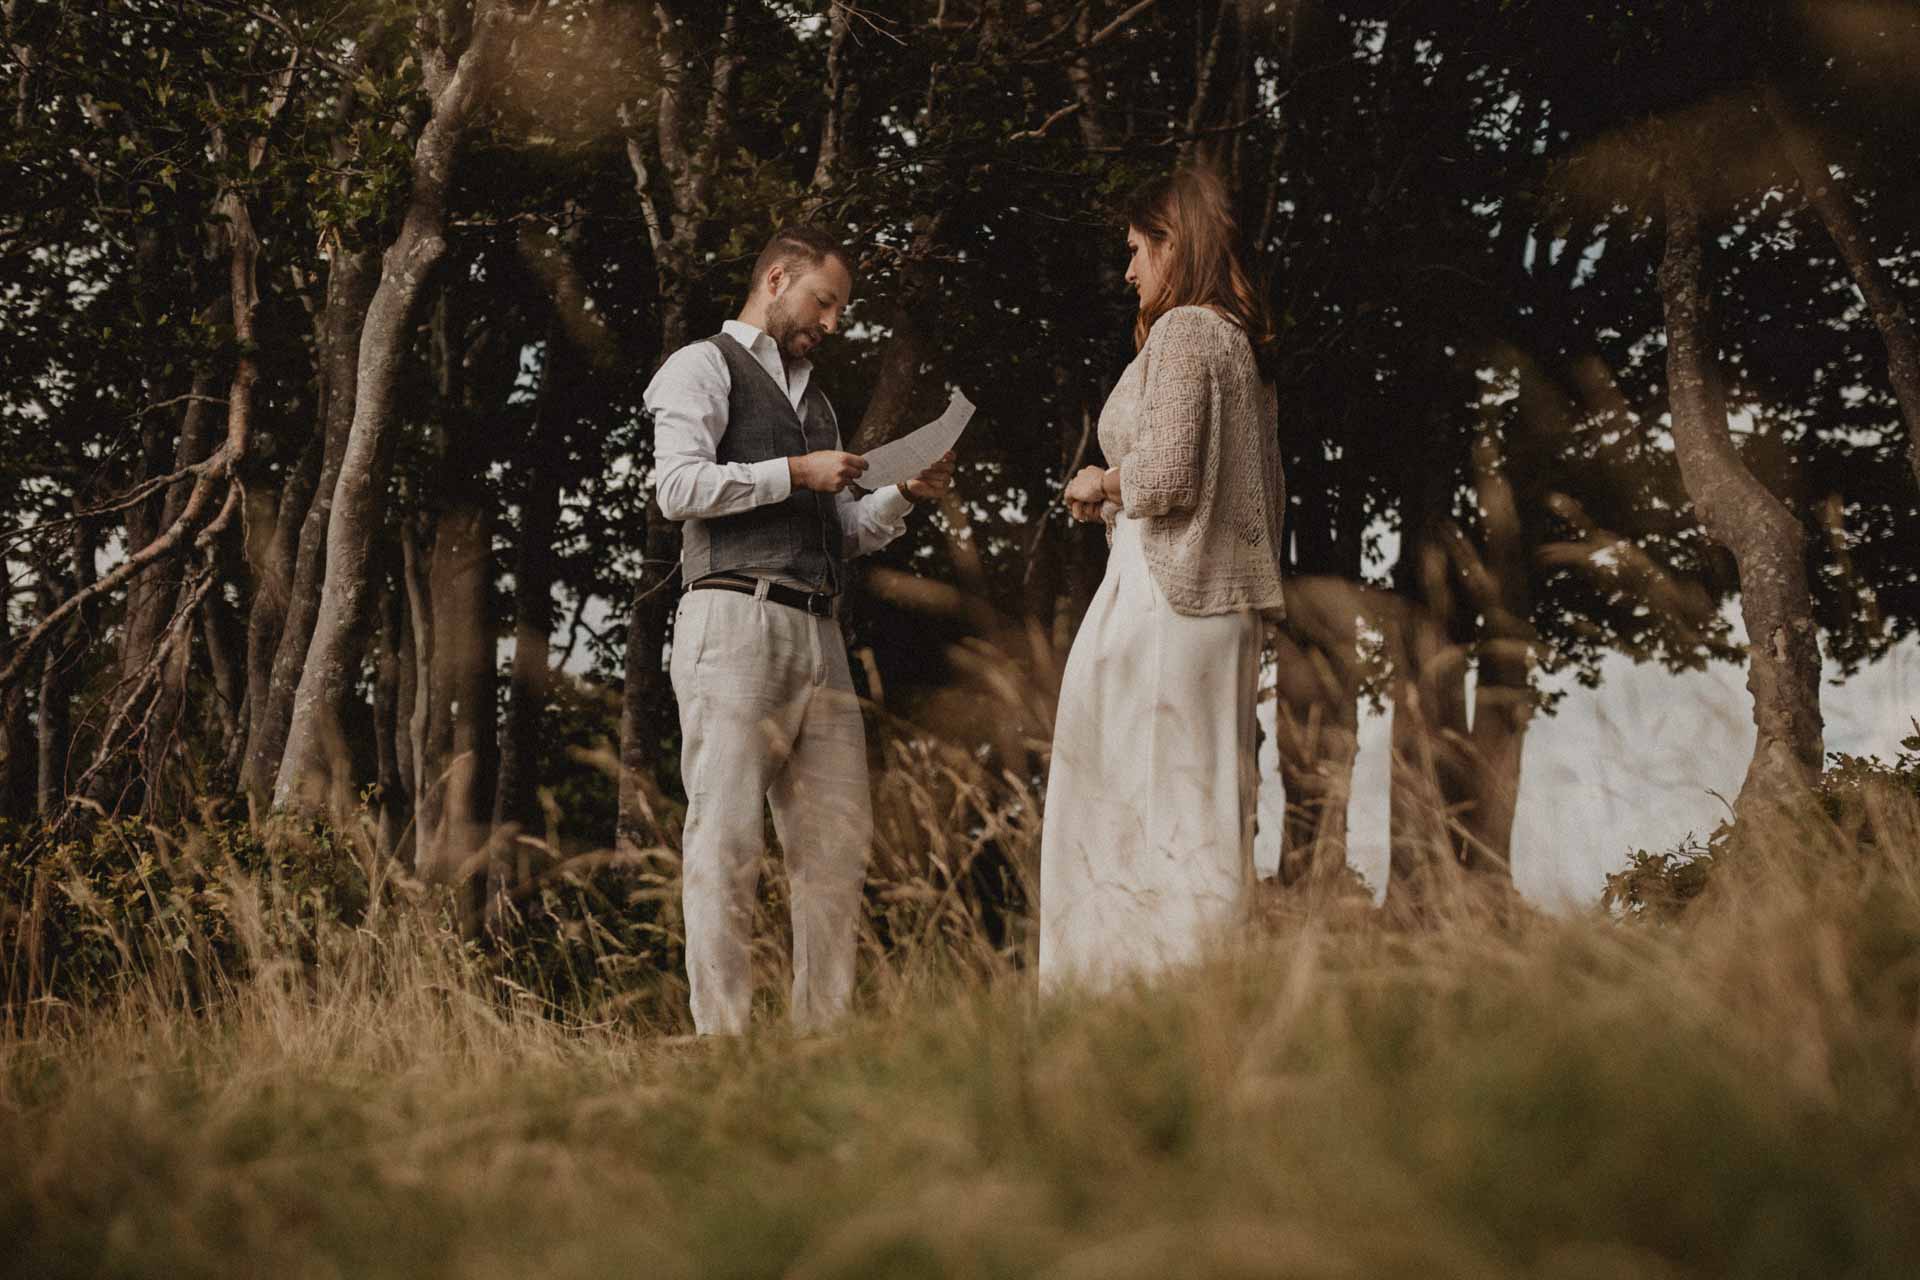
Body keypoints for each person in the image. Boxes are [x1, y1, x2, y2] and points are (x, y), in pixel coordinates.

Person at [646, 226, 956, 1034]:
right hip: (732, 616)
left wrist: (904, 496)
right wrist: (795, 472)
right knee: (727, 839)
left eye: (841, 310)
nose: (833, 321)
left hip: (818, 630)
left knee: (836, 849)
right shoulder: (701, 365)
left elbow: (842, 532)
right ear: (776, 278)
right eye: (824, 302)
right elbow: (677, 487)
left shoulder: (815, 401)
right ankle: (725, 1039)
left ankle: (823, 1036)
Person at [1041, 167, 1287, 992]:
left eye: (1138, 250)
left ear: (1174, 245)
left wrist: (1098, 483)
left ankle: (1122, 990)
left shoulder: (1186, 331)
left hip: (1166, 594)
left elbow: (1172, 475)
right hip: (1212, 597)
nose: (1128, 272)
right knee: (1198, 800)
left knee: (1134, 797)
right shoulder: (1238, 346)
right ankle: (1192, 989)